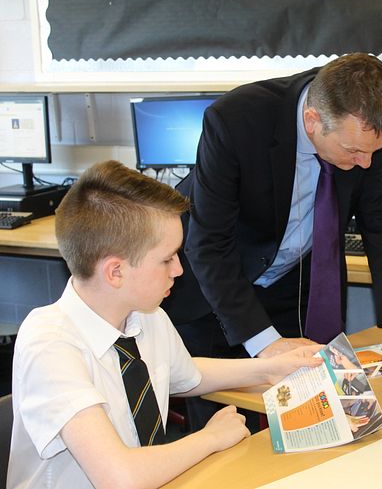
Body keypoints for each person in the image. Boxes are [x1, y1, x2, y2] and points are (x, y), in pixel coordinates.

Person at [8, 160, 323, 489]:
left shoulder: (144, 314)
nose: (178, 270)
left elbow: (185, 375)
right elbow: (121, 478)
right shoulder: (50, 343)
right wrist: (210, 438)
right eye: (166, 258)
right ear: (115, 272)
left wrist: (269, 369)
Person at [162, 53, 382, 393]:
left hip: (291, 285)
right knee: (227, 420)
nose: (365, 163)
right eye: (354, 151)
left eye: (375, 151)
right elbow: (209, 243)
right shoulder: (236, 120)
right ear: (312, 120)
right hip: (218, 294)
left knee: (312, 404)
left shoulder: (365, 131)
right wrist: (265, 344)